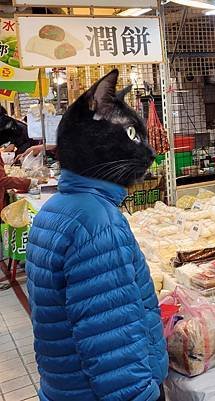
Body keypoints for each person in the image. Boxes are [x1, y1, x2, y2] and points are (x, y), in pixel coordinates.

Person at [26, 70, 168, 401]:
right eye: (134, 136)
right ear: (90, 128)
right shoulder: (96, 223)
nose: (147, 152)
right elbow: (111, 344)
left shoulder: (54, 209)